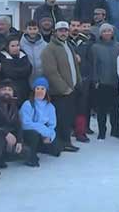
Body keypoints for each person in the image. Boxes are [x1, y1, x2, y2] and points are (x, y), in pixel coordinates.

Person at [41, 21, 82, 153]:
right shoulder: (49, 49)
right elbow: (50, 72)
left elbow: (74, 66)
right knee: (61, 119)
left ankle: (66, 140)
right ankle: (62, 142)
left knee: (68, 117)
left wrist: (78, 82)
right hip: (60, 92)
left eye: (65, 30)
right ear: (55, 32)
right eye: (60, 31)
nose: (63, 33)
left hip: (71, 89)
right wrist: (63, 88)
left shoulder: (68, 45)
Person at [90, 23, 119, 139]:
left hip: (115, 82)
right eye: (104, 31)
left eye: (109, 31)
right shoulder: (95, 47)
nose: (107, 33)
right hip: (102, 83)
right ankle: (102, 131)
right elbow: (94, 65)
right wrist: (95, 80)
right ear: (101, 34)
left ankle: (115, 130)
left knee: (115, 109)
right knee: (101, 109)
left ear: (112, 32)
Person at [20, 78, 58, 166]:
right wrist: (43, 131)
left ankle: (40, 147)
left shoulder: (50, 106)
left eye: (42, 89)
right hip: (28, 133)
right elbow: (25, 124)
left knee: (56, 150)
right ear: (34, 90)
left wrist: (50, 136)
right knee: (34, 135)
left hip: (43, 133)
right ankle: (30, 155)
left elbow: (52, 125)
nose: (40, 91)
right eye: (37, 89)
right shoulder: (27, 104)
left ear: (46, 91)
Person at [70, 21, 95, 142]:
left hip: (83, 78)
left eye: (77, 26)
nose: (75, 28)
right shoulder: (63, 41)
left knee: (82, 107)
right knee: (68, 106)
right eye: (73, 26)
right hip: (68, 79)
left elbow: (91, 61)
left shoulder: (86, 42)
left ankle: (81, 131)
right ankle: (69, 130)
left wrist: (90, 77)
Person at [0, 35, 33, 104]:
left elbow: (28, 69)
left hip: (25, 90)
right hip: (10, 91)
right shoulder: (2, 57)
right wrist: (20, 71)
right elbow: (8, 72)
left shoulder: (23, 55)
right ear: (7, 47)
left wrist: (16, 70)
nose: (16, 48)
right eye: (12, 46)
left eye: (17, 45)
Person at [20, 20, 47, 84]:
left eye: (35, 29)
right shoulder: (20, 45)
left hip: (41, 79)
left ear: (38, 30)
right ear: (25, 30)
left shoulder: (45, 45)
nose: (32, 31)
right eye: (30, 29)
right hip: (25, 80)